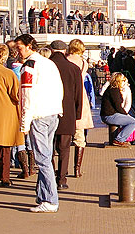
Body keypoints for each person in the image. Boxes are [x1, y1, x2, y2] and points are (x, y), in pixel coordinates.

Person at [15, 34, 62, 213]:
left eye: (20, 48)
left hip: (38, 115)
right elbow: (59, 88)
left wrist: (24, 123)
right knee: (46, 156)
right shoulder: (49, 63)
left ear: (29, 46)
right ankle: (44, 197)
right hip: (52, 113)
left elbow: (27, 96)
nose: (18, 52)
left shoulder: (29, 66)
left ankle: (50, 200)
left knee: (42, 159)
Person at [0, 44, 28, 186]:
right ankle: (4, 176)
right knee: (6, 147)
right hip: (6, 110)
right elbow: (15, 95)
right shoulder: (8, 73)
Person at [47, 40, 81, 190]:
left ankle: (49, 179)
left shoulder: (45, 66)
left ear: (51, 50)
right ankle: (62, 179)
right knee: (64, 148)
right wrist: (77, 114)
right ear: (65, 50)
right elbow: (78, 94)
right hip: (67, 113)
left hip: (47, 111)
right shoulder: (73, 69)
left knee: (48, 148)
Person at [65, 39, 94, 178]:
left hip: (65, 95)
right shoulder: (84, 63)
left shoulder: (65, 61)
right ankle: (77, 170)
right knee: (80, 136)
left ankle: (62, 169)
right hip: (80, 96)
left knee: (62, 136)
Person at [101, 73, 135, 147]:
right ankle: (119, 139)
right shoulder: (114, 91)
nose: (125, 81)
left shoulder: (112, 89)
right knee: (133, 122)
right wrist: (126, 114)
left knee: (129, 120)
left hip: (109, 114)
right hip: (109, 116)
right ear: (119, 81)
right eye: (123, 80)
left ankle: (120, 138)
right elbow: (118, 106)